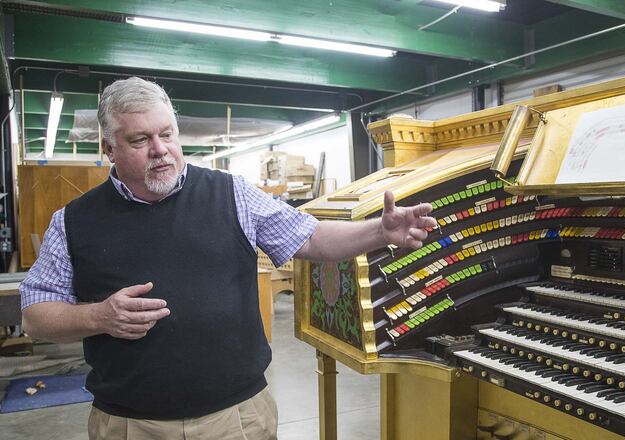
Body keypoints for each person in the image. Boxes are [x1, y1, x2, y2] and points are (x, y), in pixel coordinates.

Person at [20, 77, 437, 440]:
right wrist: (98, 316)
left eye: (167, 134)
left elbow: (310, 237)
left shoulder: (231, 194)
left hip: (237, 419)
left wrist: (379, 232)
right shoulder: (74, 221)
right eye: (140, 140)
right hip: (131, 426)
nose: (160, 150)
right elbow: (35, 316)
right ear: (109, 148)